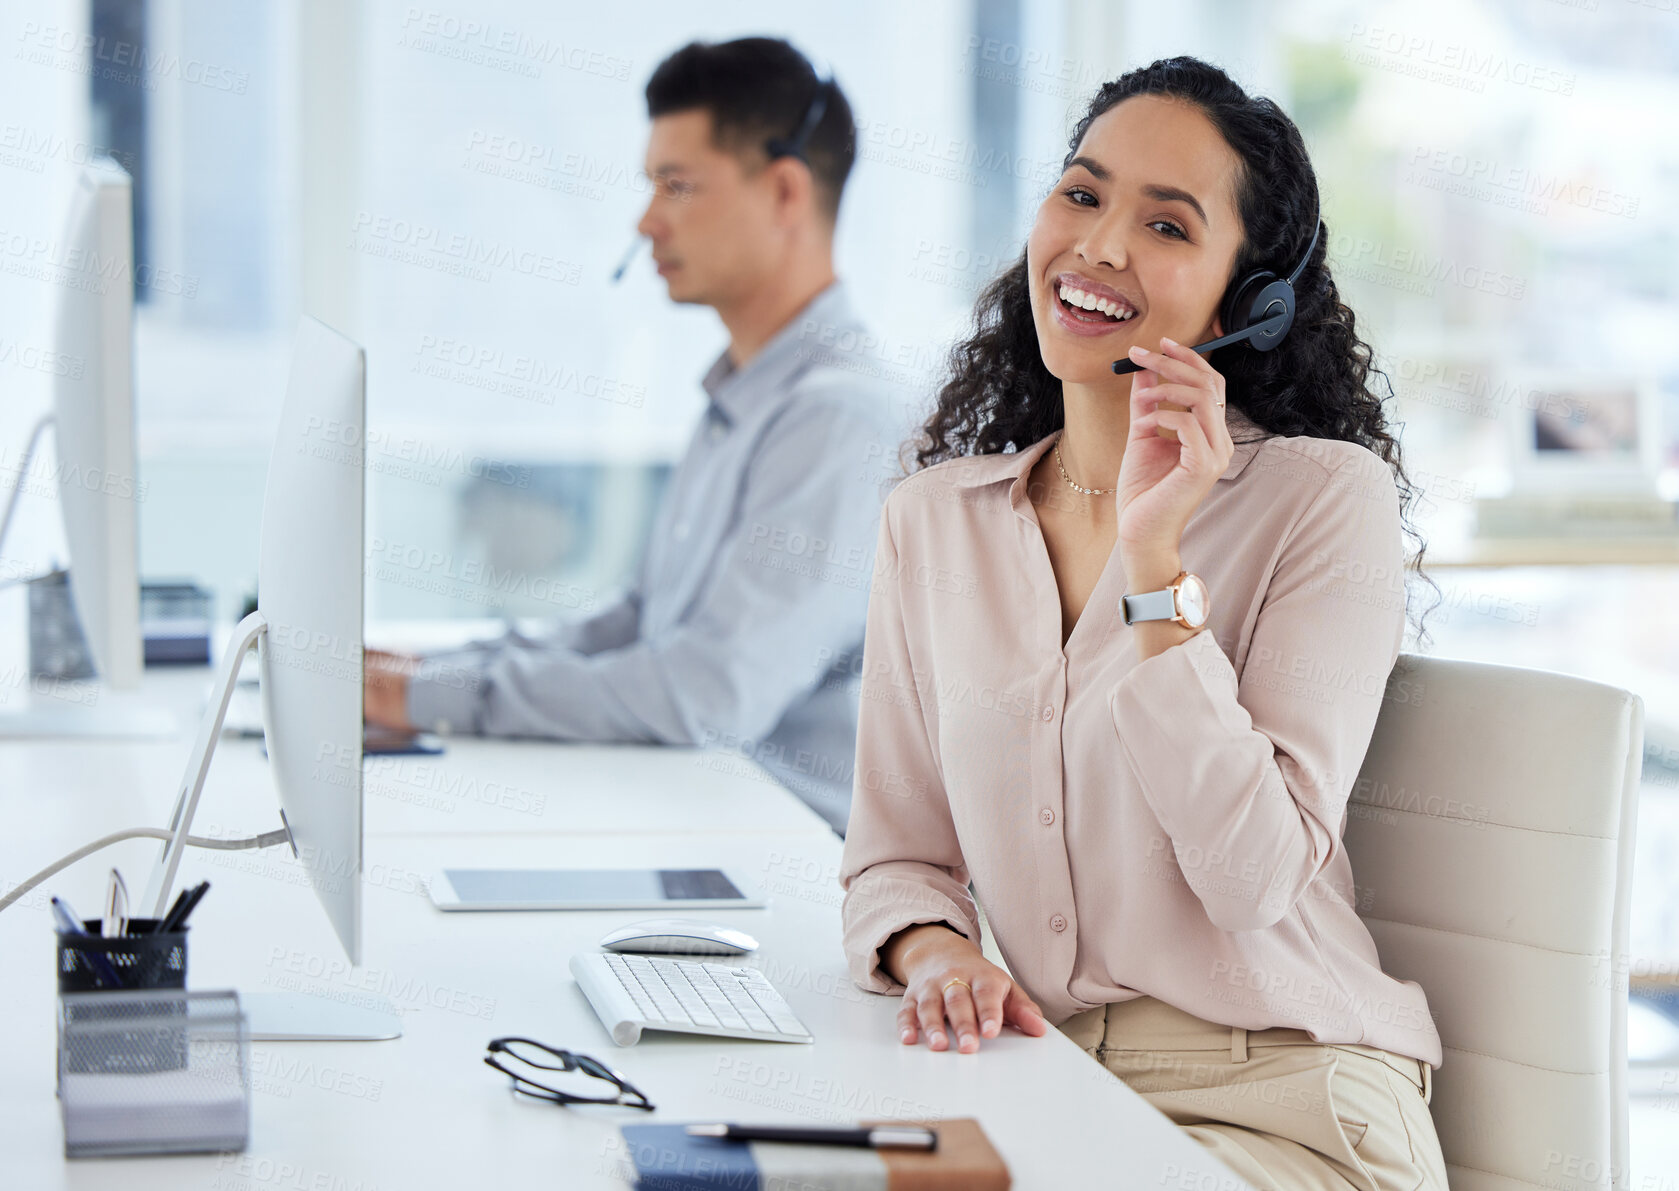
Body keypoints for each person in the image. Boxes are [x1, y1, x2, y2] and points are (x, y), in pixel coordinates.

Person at [837, 56, 1450, 1189]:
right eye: (1081, 194)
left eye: (1165, 225)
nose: (1100, 245)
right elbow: (896, 858)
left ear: (1244, 301)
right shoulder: (933, 523)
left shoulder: (1321, 500)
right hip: (1044, 1089)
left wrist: (1153, 557)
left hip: (1286, 1099)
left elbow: (1252, 882)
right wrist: (935, 952)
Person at [365, 38, 904, 835]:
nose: (646, 221)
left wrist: (421, 698)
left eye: (677, 185)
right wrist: (434, 670)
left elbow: (704, 694)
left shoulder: (837, 418)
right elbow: (639, 621)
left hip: (781, 859)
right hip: (692, 810)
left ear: (786, 191)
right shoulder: (749, 393)